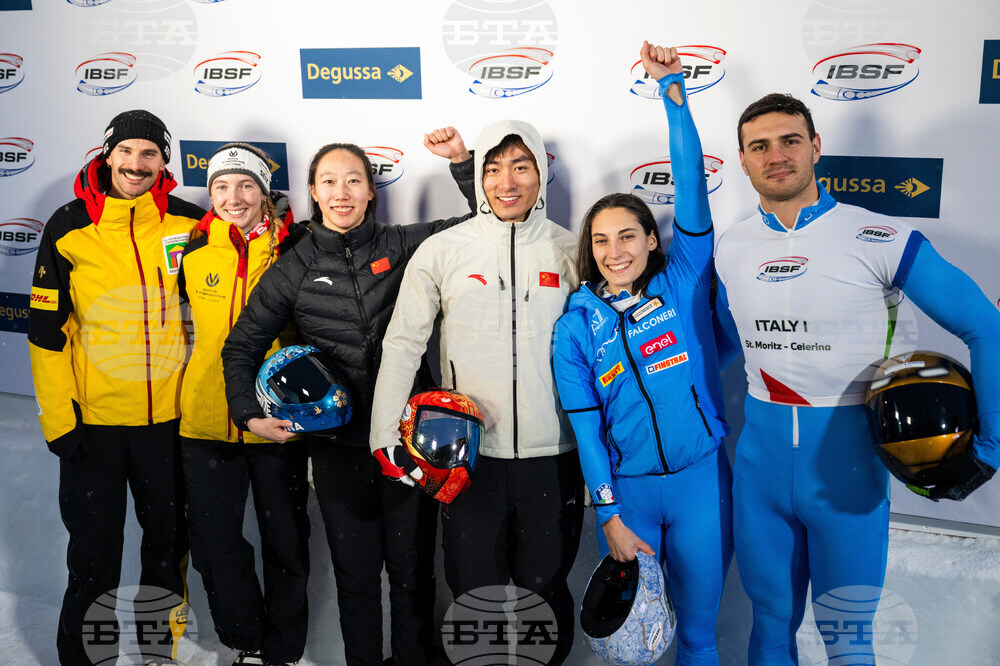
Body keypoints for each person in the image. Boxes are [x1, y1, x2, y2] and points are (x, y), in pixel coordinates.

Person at [710, 91, 1000, 663]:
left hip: (847, 471)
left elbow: (985, 327)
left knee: (846, 636)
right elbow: (716, 349)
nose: (776, 156)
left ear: (816, 147)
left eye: (790, 140)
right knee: (769, 624)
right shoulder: (732, 245)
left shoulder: (880, 236)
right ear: (742, 161)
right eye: (759, 146)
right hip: (760, 468)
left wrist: (988, 447)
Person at [221, 131, 476, 666]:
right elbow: (241, 346)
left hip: (405, 443)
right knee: (356, 579)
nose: (342, 193)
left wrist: (461, 163)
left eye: (354, 180)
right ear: (314, 192)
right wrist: (248, 415)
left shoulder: (401, 245)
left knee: (412, 573)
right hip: (338, 451)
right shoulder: (292, 268)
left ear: (370, 191)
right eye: (330, 182)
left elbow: (482, 222)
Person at [369, 119, 584, 665]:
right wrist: (383, 434)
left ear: (541, 174)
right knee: (473, 592)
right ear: (480, 178)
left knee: (546, 593)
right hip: (466, 459)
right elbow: (403, 344)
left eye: (521, 167)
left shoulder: (572, 250)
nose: (507, 183)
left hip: (554, 457)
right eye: (493, 169)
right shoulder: (444, 250)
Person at [551, 43, 733, 665]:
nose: (615, 251)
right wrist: (608, 515)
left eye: (628, 235)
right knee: (634, 648)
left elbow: (692, 186)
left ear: (653, 240)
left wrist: (674, 95)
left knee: (699, 637)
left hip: (701, 483)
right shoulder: (575, 327)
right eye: (601, 240)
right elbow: (587, 432)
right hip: (629, 500)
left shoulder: (682, 281)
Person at [28, 110, 202, 666]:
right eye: (126, 151)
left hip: (168, 424)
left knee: (167, 548)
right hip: (93, 426)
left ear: (163, 162)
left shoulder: (190, 223)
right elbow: (46, 333)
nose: (136, 164)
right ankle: (83, 657)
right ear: (108, 155)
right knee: (93, 554)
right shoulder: (68, 225)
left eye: (149, 153)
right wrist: (60, 421)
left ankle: (157, 651)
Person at [178, 143, 308, 666]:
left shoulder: (296, 249)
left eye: (246, 185)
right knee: (215, 545)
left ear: (264, 193)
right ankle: (246, 642)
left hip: (276, 421)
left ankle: (283, 652)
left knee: (286, 543)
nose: (233, 197)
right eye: (221, 187)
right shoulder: (192, 250)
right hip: (206, 421)